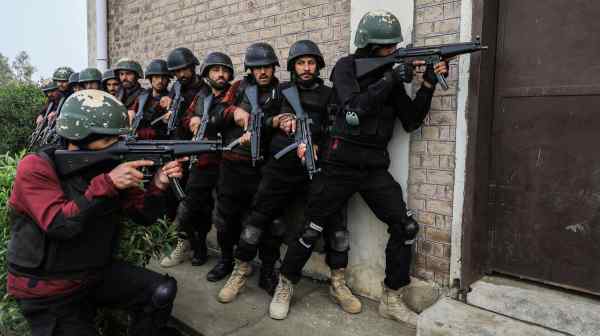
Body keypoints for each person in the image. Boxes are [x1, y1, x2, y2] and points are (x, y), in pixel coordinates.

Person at [269, 11, 448, 324]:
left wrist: (428, 84)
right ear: (367, 44)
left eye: (394, 46)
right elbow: (354, 109)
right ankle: (286, 284)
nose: (391, 51)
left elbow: (411, 121)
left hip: (373, 166)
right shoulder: (346, 67)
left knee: (405, 227)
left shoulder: (390, 76)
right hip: (339, 162)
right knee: (311, 229)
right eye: (384, 47)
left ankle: (391, 297)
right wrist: (392, 76)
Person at [7, 89, 184, 336]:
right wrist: (107, 184)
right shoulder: (36, 167)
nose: (118, 145)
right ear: (79, 136)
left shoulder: (107, 164)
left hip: (92, 274)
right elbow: (59, 224)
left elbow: (143, 216)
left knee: (161, 291)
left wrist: (159, 185)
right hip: (49, 288)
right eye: (109, 140)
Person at [218, 40, 360, 312]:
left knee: (337, 230)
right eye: (300, 63)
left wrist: (318, 143)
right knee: (256, 222)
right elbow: (259, 121)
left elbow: (338, 129)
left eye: (310, 63)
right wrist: (278, 121)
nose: (306, 68)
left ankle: (337, 282)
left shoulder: (330, 95)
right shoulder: (279, 92)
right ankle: (241, 270)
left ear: (317, 66)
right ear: (292, 67)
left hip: (315, 167)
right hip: (280, 168)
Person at [215, 42, 285, 300]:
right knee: (226, 219)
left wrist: (265, 127)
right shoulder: (238, 88)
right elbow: (216, 114)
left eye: (267, 66)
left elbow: (284, 125)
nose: (263, 72)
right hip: (233, 164)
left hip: (264, 168)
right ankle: (227, 262)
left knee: (270, 223)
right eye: (257, 68)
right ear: (250, 70)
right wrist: (234, 112)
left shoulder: (283, 92)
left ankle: (268, 270)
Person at [160, 52, 233, 271]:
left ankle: (227, 260)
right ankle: (192, 245)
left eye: (223, 70)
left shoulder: (235, 92)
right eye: (215, 70)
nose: (220, 75)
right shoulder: (201, 94)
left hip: (227, 160)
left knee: (223, 215)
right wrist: (188, 118)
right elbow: (186, 117)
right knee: (189, 207)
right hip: (200, 159)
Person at [161, 47, 205, 140]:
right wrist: (167, 113)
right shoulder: (177, 86)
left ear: (193, 67)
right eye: (177, 71)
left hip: (196, 138)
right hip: (176, 138)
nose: (182, 74)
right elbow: (170, 108)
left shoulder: (205, 89)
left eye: (185, 69)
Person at [129, 59, 171, 139]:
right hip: (137, 141)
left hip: (160, 142)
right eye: (156, 77)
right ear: (150, 78)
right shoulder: (143, 96)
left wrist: (140, 134)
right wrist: (131, 112)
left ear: (168, 80)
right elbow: (134, 112)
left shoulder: (170, 99)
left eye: (164, 78)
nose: (160, 81)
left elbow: (165, 131)